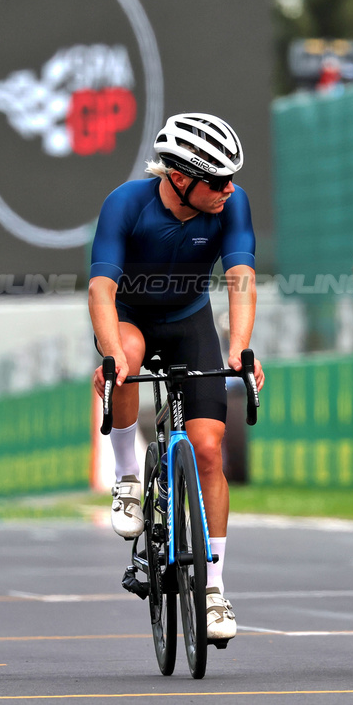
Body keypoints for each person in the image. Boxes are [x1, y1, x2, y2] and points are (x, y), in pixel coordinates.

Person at [88, 112, 265, 643]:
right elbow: (100, 290)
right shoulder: (126, 204)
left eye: (232, 177)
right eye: (217, 180)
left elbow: (241, 277)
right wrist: (113, 355)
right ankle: (125, 479)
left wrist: (238, 348)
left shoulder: (231, 204)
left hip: (190, 323)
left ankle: (212, 590)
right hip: (130, 317)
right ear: (180, 178)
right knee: (130, 358)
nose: (228, 188)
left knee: (208, 449)